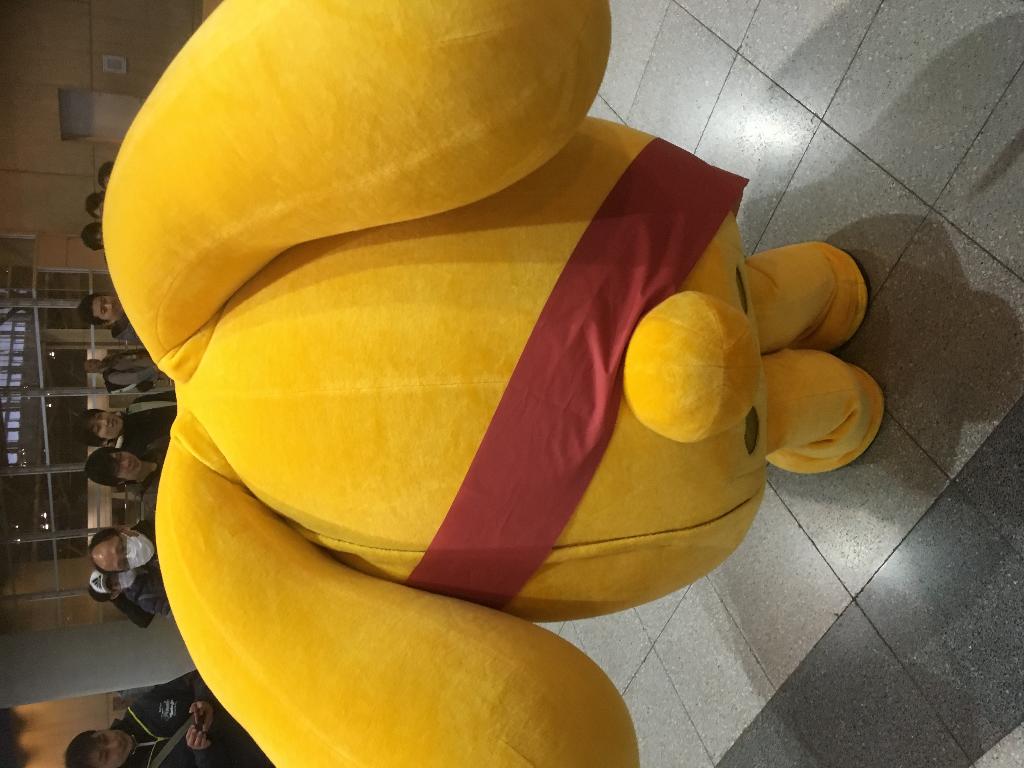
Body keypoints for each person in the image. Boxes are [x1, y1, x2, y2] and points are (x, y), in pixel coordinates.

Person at [63, 671, 273, 768]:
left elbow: (193, 678)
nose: (114, 743)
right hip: (265, 757)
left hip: (257, 705)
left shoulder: (141, 708)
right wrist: (203, 752)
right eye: (106, 755)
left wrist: (203, 701)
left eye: (103, 738)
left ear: (99, 730)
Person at [77, 391, 176, 456]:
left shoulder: (138, 405)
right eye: (98, 428)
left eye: (99, 416)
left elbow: (175, 395)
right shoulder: (133, 456)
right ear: (102, 441)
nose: (105, 421)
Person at [87, 569, 159, 628]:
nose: (116, 577)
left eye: (112, 573)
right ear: (115, 594)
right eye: (113, 584)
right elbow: (143, 619)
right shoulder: (143, 599)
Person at [84, 349, 162, 393]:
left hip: (153, 357)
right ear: (92, 371)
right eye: (90, 365)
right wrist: (154, 369)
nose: (93, 362)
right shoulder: (110, 376)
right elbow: (136, 377)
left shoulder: (109, 358)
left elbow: (130, 354)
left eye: (91, 360)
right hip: (158, 370)